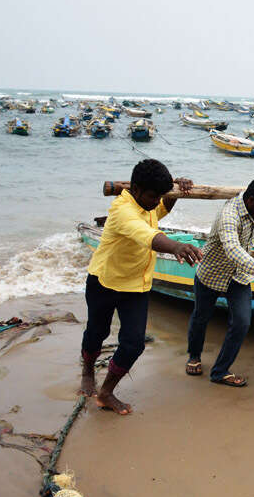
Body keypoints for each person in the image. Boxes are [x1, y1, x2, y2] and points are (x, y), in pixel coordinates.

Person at [80, 159, 203, 415]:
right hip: (105, 282)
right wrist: (176, 246)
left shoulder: (149, 202)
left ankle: (106, 392)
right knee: (97, 332)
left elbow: (159, 212)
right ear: (135, 189)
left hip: (137, 285)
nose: (155, 201)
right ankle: (87, 373)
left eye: (160, 195)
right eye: (151, 196)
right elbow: (147, 235)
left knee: (134, 344)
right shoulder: (122, 210)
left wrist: (175, 192)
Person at [186, 177, 254, 387]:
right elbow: (233, 250)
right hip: (212, 273)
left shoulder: (253, 199)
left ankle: (220, 371)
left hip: (239, 276)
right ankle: (194, 356)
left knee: (242, 323)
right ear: (251, 200)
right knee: (201, 317)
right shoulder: (229, 215)